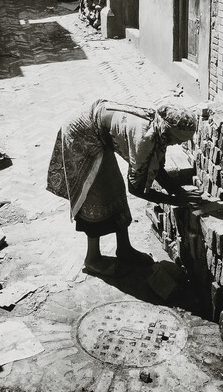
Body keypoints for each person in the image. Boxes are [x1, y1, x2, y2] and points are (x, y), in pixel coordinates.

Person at [46, 99, 201, 277]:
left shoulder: (160, 130)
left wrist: (179, 191)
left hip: (97, 131)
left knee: (115, 189)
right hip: (82, 134)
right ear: (168, 132)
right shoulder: (145, 139)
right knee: (95, 196)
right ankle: (92, 259)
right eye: (179, 140)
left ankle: (124, 249)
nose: (180, 144)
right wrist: (174, 200)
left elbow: (156, 168)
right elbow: (136, 188)